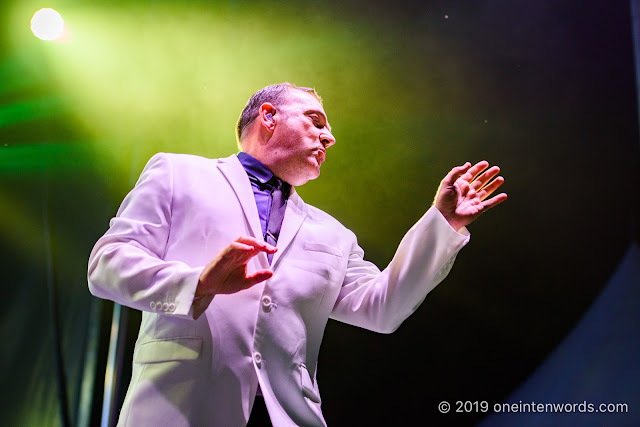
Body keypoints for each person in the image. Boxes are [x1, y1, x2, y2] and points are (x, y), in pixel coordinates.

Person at [87, 82, 507, 426]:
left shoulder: (334, 233)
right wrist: (196, 283)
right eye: (315, 120)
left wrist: (442, 224)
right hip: (180, 409)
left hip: (288, 417)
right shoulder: (179, 173)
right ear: (268, 117)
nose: (330, 136)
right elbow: (108, 263)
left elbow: (383, 308)